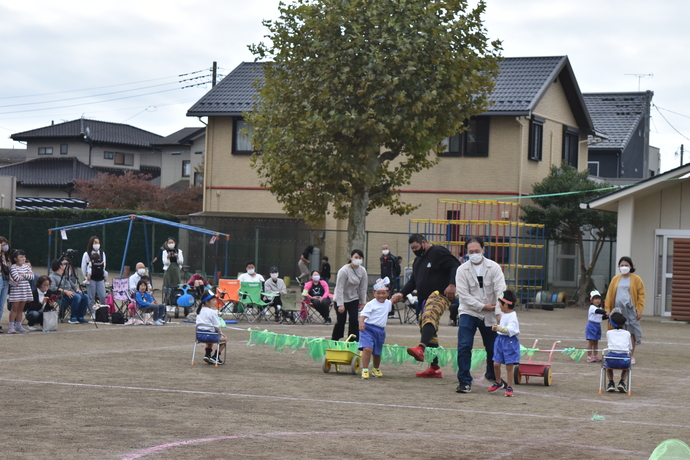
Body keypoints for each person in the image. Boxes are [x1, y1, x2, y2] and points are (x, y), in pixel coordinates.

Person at [391, 233, 459, 378]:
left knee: (430, 314)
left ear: (423, 242)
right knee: (428, 330)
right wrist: (401, 294)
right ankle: (434, 368)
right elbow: (413, 282)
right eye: (412, 249)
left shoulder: (438, 252)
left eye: (416, 247)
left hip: (440, 294)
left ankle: (420, 348)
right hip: (423, 299)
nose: (415, 250)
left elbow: (455, 265)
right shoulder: (417, 261)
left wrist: (452, 284)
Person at [455, 236, 506, 394]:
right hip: (469, 312)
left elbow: (500, 290)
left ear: (483, 250)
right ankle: (464, 380)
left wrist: (499, 312)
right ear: (466, 252)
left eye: (477, 251)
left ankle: (492, 374)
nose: (474, 254)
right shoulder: (461, 269)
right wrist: (482, 306)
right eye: (471, 252)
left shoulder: (494, 267)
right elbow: (463, 295)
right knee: (464, 346)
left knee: (492, 348)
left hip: (491, 313)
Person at [605, 256, 645, 365]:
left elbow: (641, 295)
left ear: (631, 266)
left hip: (631, 310)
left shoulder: (636, 279)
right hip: (618, 310)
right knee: (617, 332)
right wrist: (608, 309)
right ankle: (616, 354)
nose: (624, 267)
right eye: (622, 265)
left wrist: (639, 309)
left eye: (626, 265)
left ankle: (630, 355)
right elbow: (609, 295)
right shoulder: (615, 279)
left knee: (631, 333)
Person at [488, 290, 520, 397]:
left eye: (500, 304)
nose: (499, 306)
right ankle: (498, 382)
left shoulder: (512, 316)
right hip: (500, 340)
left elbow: (513, 329)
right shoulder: (504, 314)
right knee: (496, 363)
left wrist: (499, 328)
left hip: (509, 342)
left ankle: (509, 386)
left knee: (509, 366)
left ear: (505, 304)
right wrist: (497, 328)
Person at [332, 249, 368, 342]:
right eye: (356, 257)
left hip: (353, 298)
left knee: (353, 320)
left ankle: (353, 340)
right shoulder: (344, 270)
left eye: (360, 258)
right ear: (351, 257)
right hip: (341, 299)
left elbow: (363, 288)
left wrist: (363, 302)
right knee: (341, 321)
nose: (358, 259)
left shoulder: (362, 271)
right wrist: (340, 304)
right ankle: (335, 340)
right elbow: (339, 288)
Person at [359, 277, 391, 379]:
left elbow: (395, 300)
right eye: (378, 293)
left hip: (380, 330)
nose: (381, 295)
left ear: (387, 293)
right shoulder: (370, 304)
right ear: (374, 293)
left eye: (383, 293)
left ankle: (376, 368)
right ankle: (365, 369)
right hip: (368, 328)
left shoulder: (388, 303)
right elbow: (363, 314)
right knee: (367, 349)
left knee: (377, 352)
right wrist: (361, 323)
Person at [50, 257, 90, 324]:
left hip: (72, 293)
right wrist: (65, 291)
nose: (65, 266)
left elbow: (73, 285)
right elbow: (52, 288)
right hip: (61, 295)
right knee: (77, 297)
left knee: (85, 296)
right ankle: (73, 317)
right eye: (64, 265)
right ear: (60, 266)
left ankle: (80, 317)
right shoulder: (52, 277)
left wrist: (77, 289)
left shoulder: (65, 276)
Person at [604, 312, 633, 393]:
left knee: (608, 366)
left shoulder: (609, 333)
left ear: (611, 324)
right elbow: (630, 348)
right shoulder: (627, 333)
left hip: (611, 360)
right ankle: (622, 382)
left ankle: (611, 383)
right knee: (627, 366)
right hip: (623, 360)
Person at [196, 290, 227, 365]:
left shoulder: (199, 311)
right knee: (224, 339)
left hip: (199, 336)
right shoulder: (213, 312)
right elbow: (217, 326)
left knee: (210, 334)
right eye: (213, 300)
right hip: (209, 336)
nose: (215, 301)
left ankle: (207, 354)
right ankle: (216, 356)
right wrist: (221, 333)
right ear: (207, 302)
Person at [8, 249, 34, 334]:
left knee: (21, 309)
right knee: (14, 308)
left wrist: (22, 274)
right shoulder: (13, 267)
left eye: (24, 257)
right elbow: (16, 278)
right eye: (21, 257)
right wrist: (26, 276)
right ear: (15, 259)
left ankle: (19, 326)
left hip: (25, 290)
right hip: (16, 290)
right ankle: (11, 326)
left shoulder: (26, 267)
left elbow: (32, 277)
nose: (23, 258)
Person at [81, 236, 107, 315]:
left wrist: (104, 276)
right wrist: (87, 278)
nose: (97, 244)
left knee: (102, 296)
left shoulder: (102, 254)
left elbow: (104, 266)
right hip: (91, 279)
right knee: (91, 297)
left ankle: (102, 312)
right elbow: (83, 267)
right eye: (95, 243)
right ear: (91, 244)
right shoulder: (86, 254)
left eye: (98, 243)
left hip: (100, 278)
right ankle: (93, 312)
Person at [586, 290, 607, 362]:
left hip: (598, 325)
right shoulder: (592, 307)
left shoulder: (600, 308)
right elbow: (598, 312)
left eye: (599, 299)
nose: (597, 301)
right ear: (591, 300)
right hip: (592, 325)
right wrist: (606, 312)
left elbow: (602, 317)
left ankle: (595, 355)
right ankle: (589, 356)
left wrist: (609, 316)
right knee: (591, 342)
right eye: (595, 299)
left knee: (596, 342)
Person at [380, 243, 400, 317]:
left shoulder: (393, 258)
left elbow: (397, 268)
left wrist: (394, 276)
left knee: (390, 294)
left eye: (386, 248)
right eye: (383, 249)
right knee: (385, 295)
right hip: (384, 280)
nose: (385, 250)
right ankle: (388, 311)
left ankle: (391, 311)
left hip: (391, 279)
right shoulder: (381, 258)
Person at [0, 236, 12, 332]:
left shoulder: (7, 256)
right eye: (3, 245)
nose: (5, 247)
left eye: (6, 244)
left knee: (1, 304)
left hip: (6, 279)